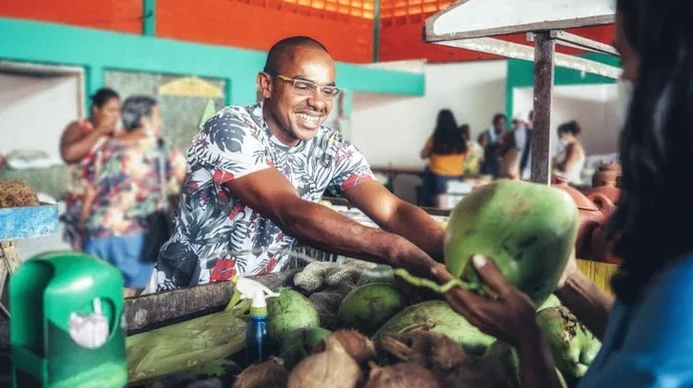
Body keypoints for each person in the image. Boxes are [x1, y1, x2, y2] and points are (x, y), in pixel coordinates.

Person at [440, 0, 693, 387]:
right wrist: (567, 279)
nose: (627, 84)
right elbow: (636, 341)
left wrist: (526, 339)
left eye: (632, 66)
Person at [147, 36, 445, 291]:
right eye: (303, 86)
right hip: (183, 302)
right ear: (266, 85)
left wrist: (450, 248)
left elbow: (392, 210)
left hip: (257, 299)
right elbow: (289, 211)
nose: (319, 102)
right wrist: (394, 248)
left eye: (327, 90)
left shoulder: (329, 147)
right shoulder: (230, 128)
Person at [81, 96, 186, 296]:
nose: (159, 123)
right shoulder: (160, 146)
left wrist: (82, 232)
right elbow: (189, 183)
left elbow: (90, 192)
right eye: (157, 117)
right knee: (128, 298)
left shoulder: (104, 147)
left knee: (100, 296)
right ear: (144, 120)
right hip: (133, 237)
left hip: (96, 233)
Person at [59, 88, 121, 249]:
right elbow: (69, 154)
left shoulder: (116, 135)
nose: (115, 115)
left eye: (118, 111)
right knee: (82, 251)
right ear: (96, 109)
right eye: (111, 110)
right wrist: (99, 131)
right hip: (80, 203)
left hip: (108, 205)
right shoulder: (79, 128)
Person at [419, 110, 467, 207]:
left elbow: (423, 155)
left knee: (439, 208)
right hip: (457, 176)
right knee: (454, 205)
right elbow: (466, 157)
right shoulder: (461, 138)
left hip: (438, 176)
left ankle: (427, 207)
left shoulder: (435, 138)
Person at [480, 113, 506, 178]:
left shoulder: (505, 135)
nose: (501, 126)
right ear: (494, 123)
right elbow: (484, 147)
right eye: (499, 123)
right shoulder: (486, 134)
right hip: (487, 167)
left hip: (499, 168)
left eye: (503, 124)